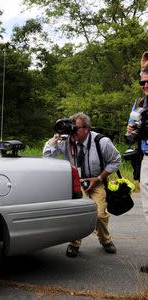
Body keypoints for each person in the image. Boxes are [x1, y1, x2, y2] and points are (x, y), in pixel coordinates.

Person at [43, 112, 121, 258]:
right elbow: (47, 157)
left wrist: (98, 178)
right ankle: (74, 243)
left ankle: (105, 240)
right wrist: (54, 140)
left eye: (76, 128)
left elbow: (116, 161)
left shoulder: (101, 141)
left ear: (86, 128)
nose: (73, 132)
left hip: (96, 181)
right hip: (77, 182)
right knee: (77, 213)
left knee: (99, 214)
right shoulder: (67, 141)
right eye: (71, 128)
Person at [127, 51, 148, 273]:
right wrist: (131, 131)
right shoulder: (140, 103)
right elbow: (131, 130)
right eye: (142, 81)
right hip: (145, 159)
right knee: (147, 210)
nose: (145, 85)